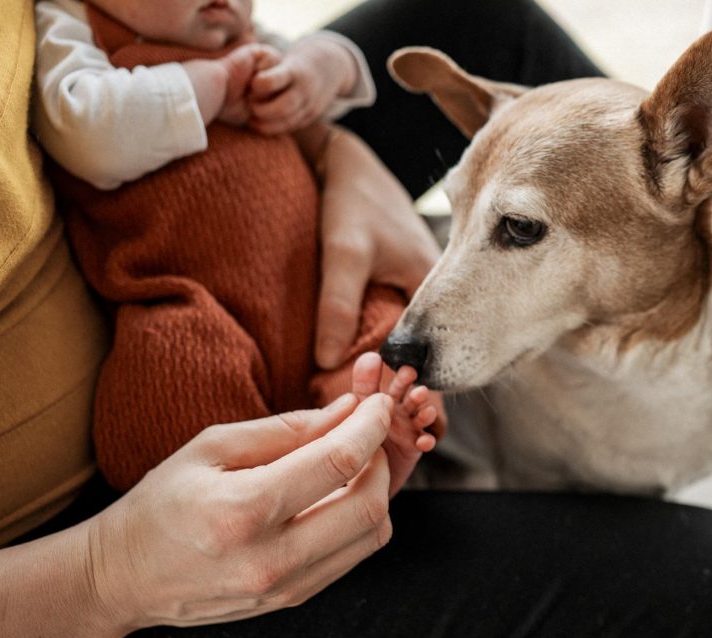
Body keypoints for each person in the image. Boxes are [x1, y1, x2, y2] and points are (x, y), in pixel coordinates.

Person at [0, 0, 712, 638]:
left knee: (482, 15)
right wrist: (107, 570)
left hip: (157, 192)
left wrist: (340, 150)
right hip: (75, 552)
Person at [30, 0, 443, 491]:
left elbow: (332, 73)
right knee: (173, 374)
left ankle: (376, 436)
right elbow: (83, 130)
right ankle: (248, 494)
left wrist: (319, 68)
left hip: (317, 282)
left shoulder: (228, 32)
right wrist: (212, 86)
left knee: (383, 335)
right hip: (199, 303)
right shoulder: (73, 23)